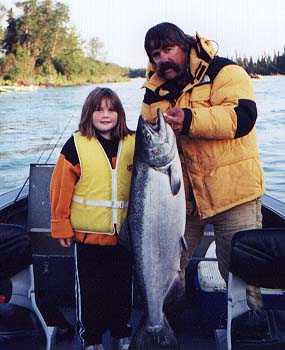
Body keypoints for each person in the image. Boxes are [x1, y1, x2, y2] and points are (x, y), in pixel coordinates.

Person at [141, 22, 265, 309]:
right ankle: (160, 328)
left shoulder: (225, 72)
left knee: (241, 277)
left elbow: (242, 117)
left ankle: (249, 328)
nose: (162, 60)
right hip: (181, 201)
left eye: (168, 50)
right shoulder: (152, 92)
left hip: (235, 195)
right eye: (155, 55)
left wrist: (190, 120)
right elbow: (147, 144)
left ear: (184, 46)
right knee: (163, 268)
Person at [50, 87, 135, 350]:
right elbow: (60, 187)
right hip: (88, 239)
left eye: (112, 109)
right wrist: (61, 224)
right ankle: (92, 339)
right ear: (89, 113)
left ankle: (122, 333)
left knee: (122, 292)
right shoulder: (75, 144)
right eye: (99, 109)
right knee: (90, 294)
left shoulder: (134, 142)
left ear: (120, 114)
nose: (106, 115)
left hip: (125, 238)